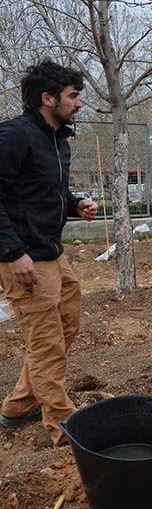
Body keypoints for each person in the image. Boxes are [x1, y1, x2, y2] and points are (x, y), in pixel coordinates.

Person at [0, 60, 98, 446]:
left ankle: (19, 404)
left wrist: (74, 204)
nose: (78, 104)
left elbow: (43, 192)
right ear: (48, 98)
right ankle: (63, 428)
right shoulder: (14, 136)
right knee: (46, 342)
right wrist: (11, 252)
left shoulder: (57, 139)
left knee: (68, 321)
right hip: (24, 258)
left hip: (51, 251)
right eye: (73, 96)